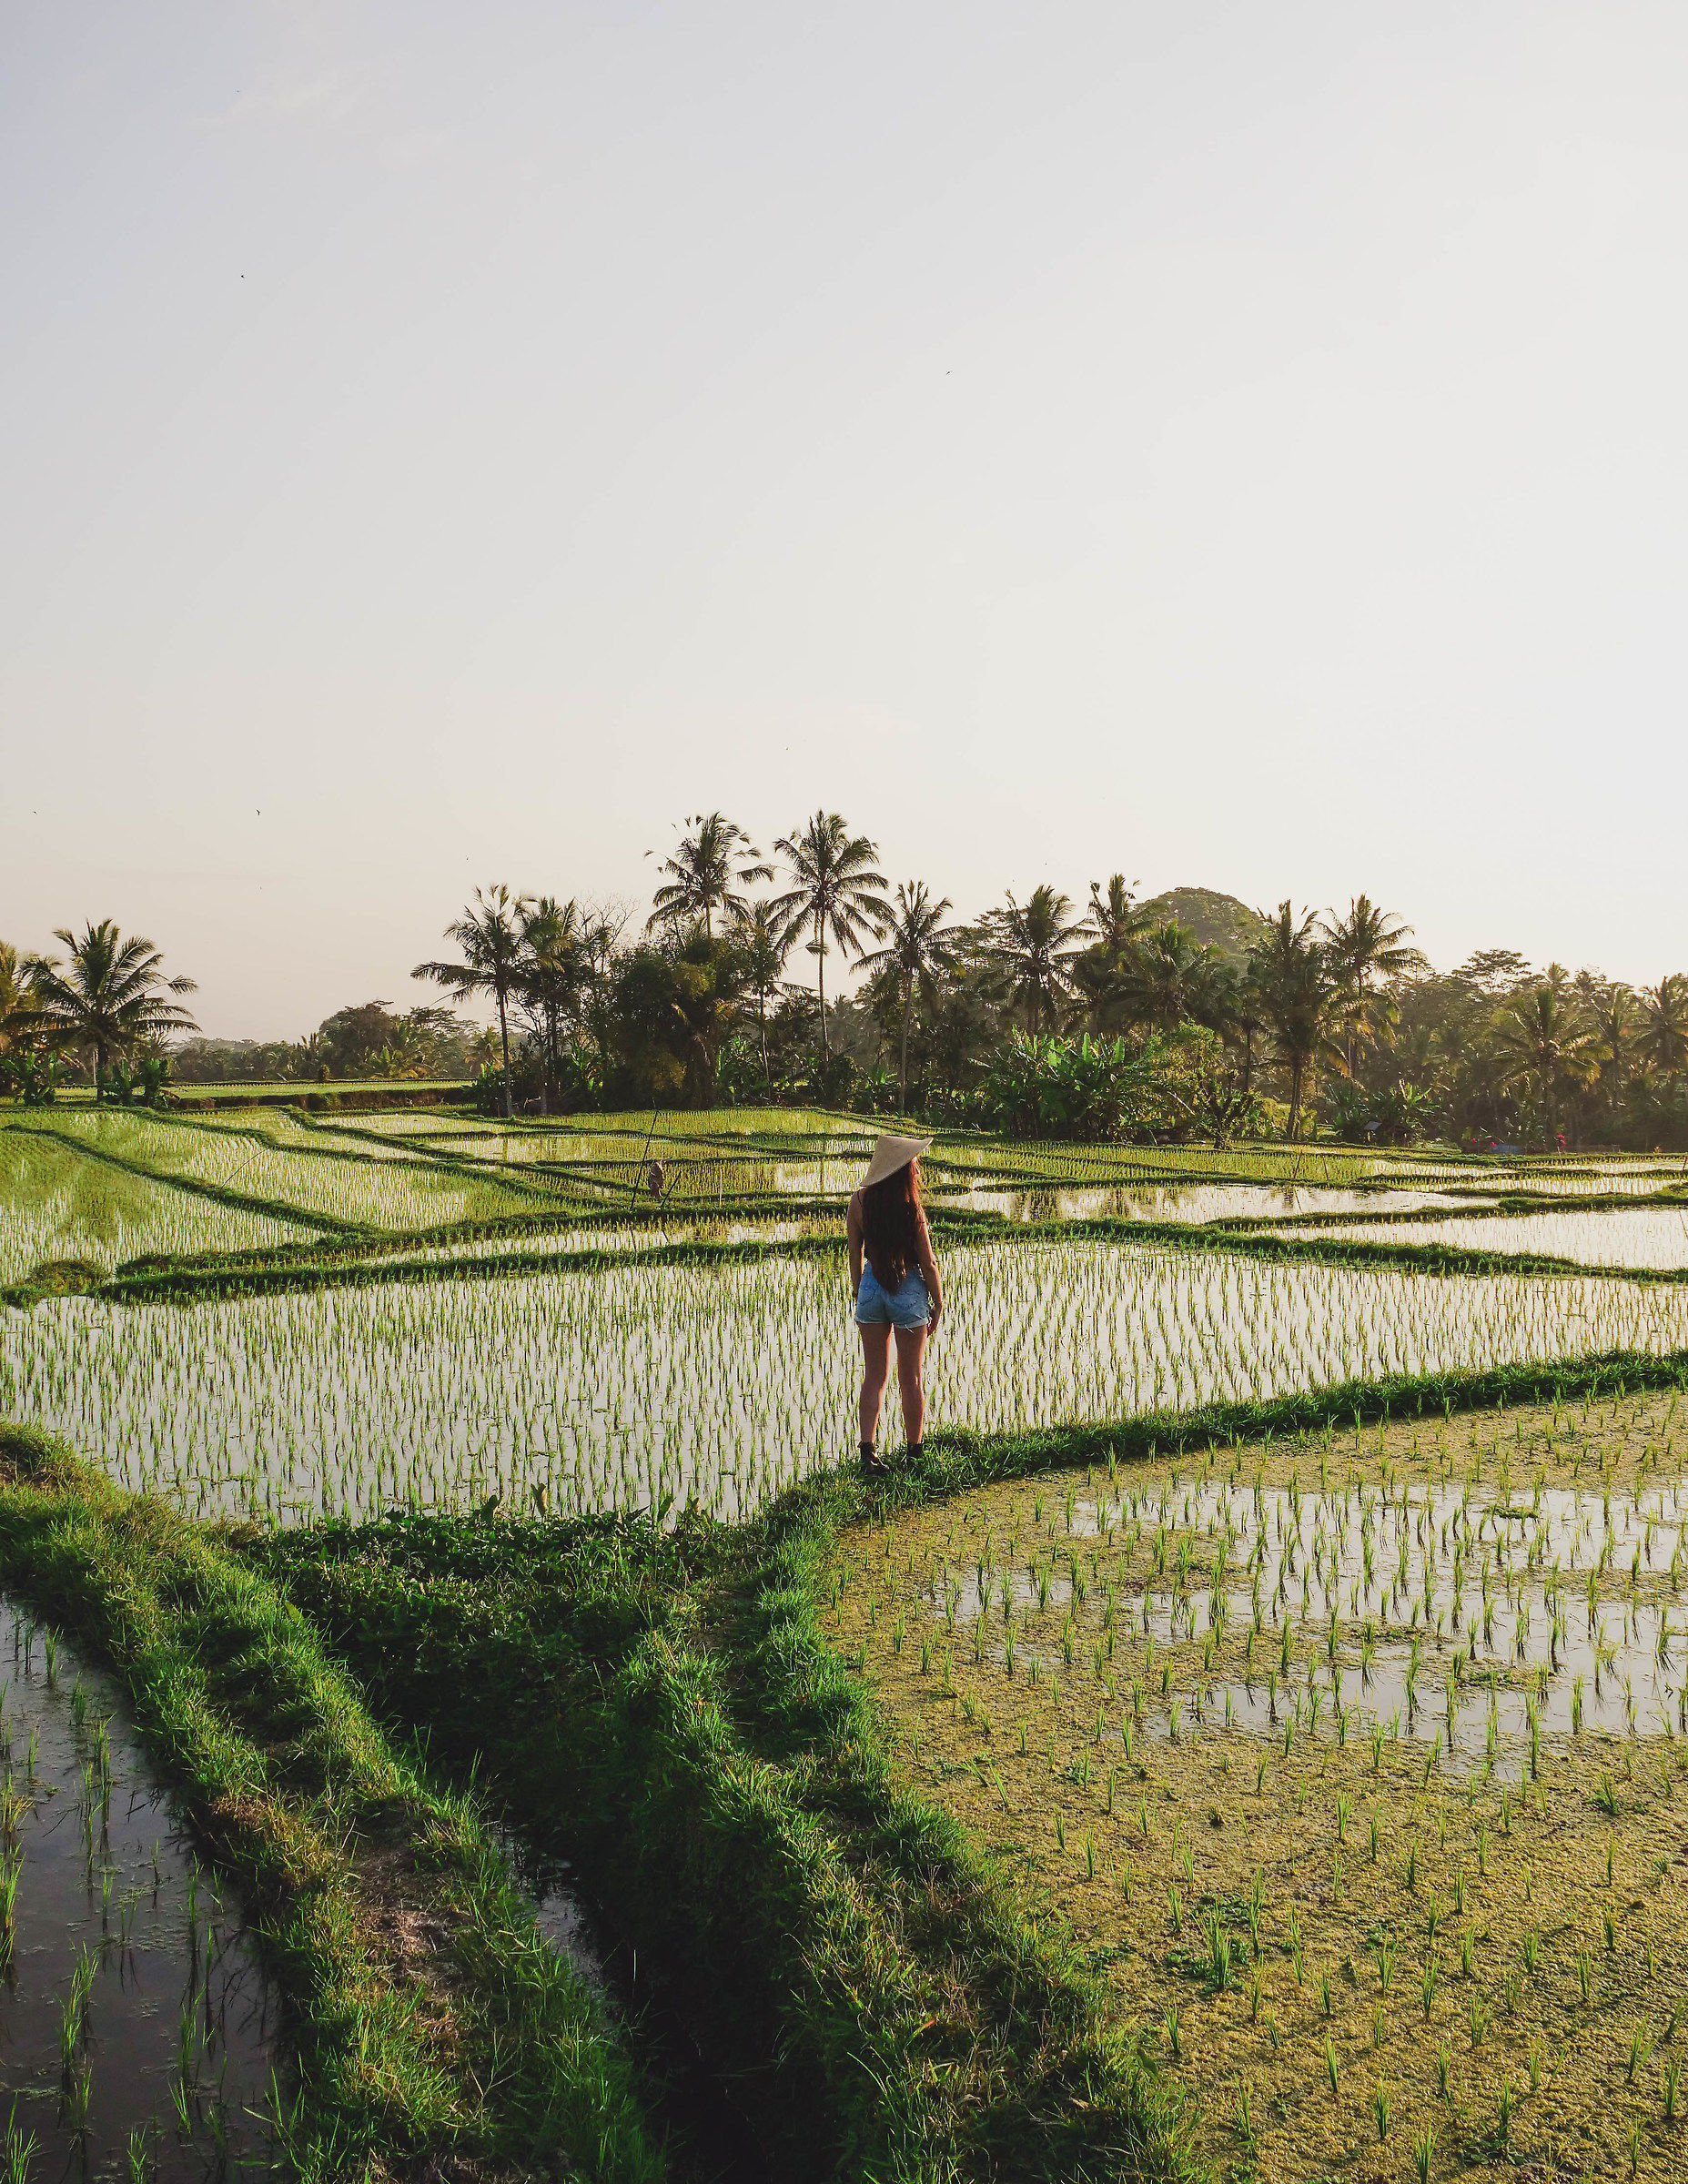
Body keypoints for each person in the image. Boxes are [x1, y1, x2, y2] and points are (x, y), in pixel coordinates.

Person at [847, 1133, 944, 1476]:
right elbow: (928, 1262)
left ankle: (867, 1453)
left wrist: (860, 1291)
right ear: (903, 1168)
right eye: (913, 1163)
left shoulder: (859, 1201)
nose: (916, 1168)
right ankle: (914, 1453)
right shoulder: (910, 1207)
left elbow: (854, 1252)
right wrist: (939, 1301)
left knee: (874, 1375)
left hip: (872, 1289)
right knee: (911, 1378)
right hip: (908, 1291)